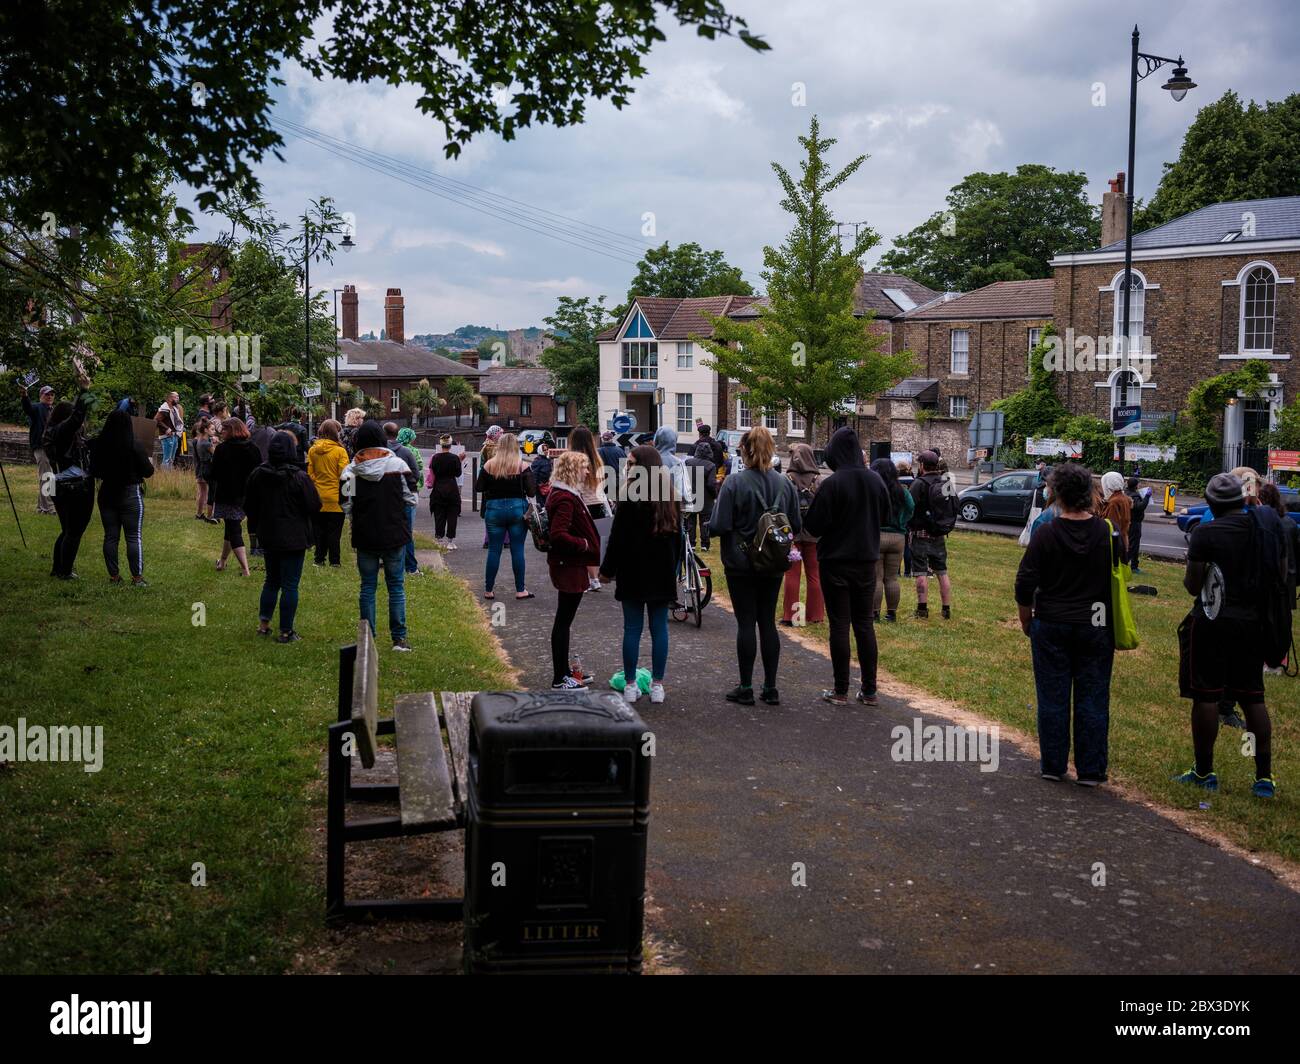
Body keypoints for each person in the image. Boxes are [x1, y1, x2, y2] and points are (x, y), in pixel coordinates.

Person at [1174, 473, 1282, 798]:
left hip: (1212, 619)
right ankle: (1263, 777)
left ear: (1210, 504)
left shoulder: (1206, 533)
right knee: (1252, 697)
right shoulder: (1260, 530)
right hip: (1252, 623)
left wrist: (1204, 568)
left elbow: (1193, 585)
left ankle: (1204, 771)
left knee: (1206, 696)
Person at [1015, 462, 1119, 785]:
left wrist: (1026, 618)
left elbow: (1024, 581)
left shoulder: (1046, 532)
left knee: (1052, 696)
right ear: (1089, 493)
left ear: (1057, 493)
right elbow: (1115, 576)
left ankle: (1054, 764)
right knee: (1093, 696)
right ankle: (1091, 768)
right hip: (1095, 621)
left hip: (1052, 620)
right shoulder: (1105, 532)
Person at [709, 425, 801, 706]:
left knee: (746, 622)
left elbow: (719, 525)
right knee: (768, 623)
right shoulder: (786, 484)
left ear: (745, 451)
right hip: (773, 562)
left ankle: (746, 686)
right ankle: (771, 688)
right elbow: (795, 525)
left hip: (740, 563)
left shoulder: (734, 483)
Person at [804, 428, 889, 706]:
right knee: (864, 624)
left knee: (840, 624)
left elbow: (814, 526)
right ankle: (870, 690)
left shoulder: (833, 484)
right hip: (866, 560)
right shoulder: (875, 480)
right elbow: (886, 514)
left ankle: (840, 690)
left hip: (835, 561)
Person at [601, 446, 680, 705]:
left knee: (632, 629)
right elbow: (679, 539)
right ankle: (658, 685)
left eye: (632, 463)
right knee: (660, 629)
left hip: (632, 570)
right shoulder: (670, 497)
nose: (627, 467)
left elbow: (617, 539)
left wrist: (606, 570)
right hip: (661, 571)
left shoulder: (628, 498)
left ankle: (631, 685)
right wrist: (675, 569)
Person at [340, 421, 418, 652]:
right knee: (396, 586)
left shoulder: (350, 470)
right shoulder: (399, 464)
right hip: (394, 532)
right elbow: (411, 497)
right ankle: (399, 639)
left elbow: (345, 505)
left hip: (365, 534)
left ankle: (368, 639)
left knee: (367, 587)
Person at [244, 431, 322, 643]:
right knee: (290, 584)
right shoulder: (299, 477)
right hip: (294, 535)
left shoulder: (258, 474)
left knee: (271, 580)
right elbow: (314, 505)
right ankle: (286, 630)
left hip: (268, 533)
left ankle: (264, 624)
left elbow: (249, 504)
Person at [544, 450, 601, 691]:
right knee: (563, 623)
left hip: (568, 564)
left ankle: (566, 672)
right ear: (572, 470)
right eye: (583, 467)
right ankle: (560, 678)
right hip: (569, 565)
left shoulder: (562, 493)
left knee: (564, 622)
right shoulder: (566, 498)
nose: (587, 472)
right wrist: (585, 544)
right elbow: (558, 534)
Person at [90, 408, 155, 586]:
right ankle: (137, 577)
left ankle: (114, 576)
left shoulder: (98, 444)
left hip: (107, 493)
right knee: (133, 537)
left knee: (110, 536)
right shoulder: (135, 444)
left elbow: (93, 470)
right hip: (130, 493)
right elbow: (148, 472)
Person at [44, 367, 95, 578]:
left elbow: (75, 420)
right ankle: (65, 571)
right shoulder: (62, 432)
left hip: (59, 483)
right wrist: (84, 391)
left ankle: (58, 568)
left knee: (67, 530)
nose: (80, 423)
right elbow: (75, 418)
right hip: (71, 485)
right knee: (74, 531)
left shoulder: (53, 433)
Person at [476, 431, 536, 600]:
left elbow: (478, 487)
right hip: (517, 508)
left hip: (494, 509)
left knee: (494, 550)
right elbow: (532, 490)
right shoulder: (522, 466)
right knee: (517, 549)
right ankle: (520, 589)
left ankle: (488, 590)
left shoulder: (489, 465)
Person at [208, 417, 262, 576]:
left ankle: (245, 569)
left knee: (234, 529)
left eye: (224, 429)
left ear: (232, 430)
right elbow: (259, 472)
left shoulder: (222, 449)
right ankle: (223, 561)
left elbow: (214, 474)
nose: (221, 432)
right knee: (230, 527)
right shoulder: (253, 448)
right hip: (248, 495)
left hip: (228, 495)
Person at [908, 450, 957, 619]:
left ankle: (922, 610)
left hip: (920, 533)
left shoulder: (918, 484)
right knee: (942, 572)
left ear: (921, 465)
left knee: (921, 572)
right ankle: (946, 610)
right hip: (939, 534)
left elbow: (909, 507)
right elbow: (953, 505)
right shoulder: (946, 482)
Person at [780, 443, 823, 626]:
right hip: (814, 534)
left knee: (792, 575)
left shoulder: (787, 479)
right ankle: (815, 616)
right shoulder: (818, 480)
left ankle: (793, 617)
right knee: (815, 576)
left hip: (793, 534)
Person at [871, 456, 913, 624]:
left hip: (877, 536)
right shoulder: (903, 491)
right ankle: (891, 614)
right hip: (897, 537)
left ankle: (874, 614)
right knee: (892, 578)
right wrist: (902, 522)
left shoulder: (874, 491)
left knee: (877, 578)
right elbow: (911, 509)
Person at [569, 426, 610, 591]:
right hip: (600, 504)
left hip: (583, 504)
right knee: (600, 542)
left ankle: (593, 579)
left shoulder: (574, 460)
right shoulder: (597, 458)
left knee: (586, 543)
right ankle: (599, 574)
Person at [307, 419, 349, 566]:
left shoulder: (312, 450)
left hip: (318, 496)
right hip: (336, 497)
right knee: (334, 532)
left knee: (319, 531)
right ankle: (335, 561)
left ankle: (319, 559)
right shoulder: (340, 451)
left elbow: (310, 474)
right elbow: (345, 475)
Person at [385, 422, 423, 577]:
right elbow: (416, 473)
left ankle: (388, 562)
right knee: (407, 532)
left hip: (387, 496)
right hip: (405, 496)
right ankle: (411, 567)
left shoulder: (382, 451)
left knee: (387, 529)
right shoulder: (407, 452)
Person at [19, 382, 57, 514]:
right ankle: (49, 508)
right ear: (41, 396)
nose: (50, 396)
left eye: (52, 394)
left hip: (51, 449)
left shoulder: (53, 410)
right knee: (47, 476)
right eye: (47, 394)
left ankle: (42, 507)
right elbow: (27, 408)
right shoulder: (37, 407)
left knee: (49, 477)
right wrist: (25, 395)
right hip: (41, 447)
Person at [427, 435, 466, 548]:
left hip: (438, 487)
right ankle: (450, 541)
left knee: (439, 514)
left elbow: (432, 470)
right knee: (452, 514)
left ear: (441, 445)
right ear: (450, 445)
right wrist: (459, 460)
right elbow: (458, 473)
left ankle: (439, 538)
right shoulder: (454, 458)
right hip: (452, 487)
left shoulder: (435, 457)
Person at [684, 440, 718, 552]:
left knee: (690, 521)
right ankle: (705, 544)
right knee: (705, 522)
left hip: (691, 495)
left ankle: (691, 544)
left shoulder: (688, 462)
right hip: (706, 497)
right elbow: (711, 484)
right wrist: (715, 496)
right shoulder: (711, 465)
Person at [1098, 471, 1132, 564]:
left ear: (1108, 484)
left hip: (1113, 545)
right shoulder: (1123, 498)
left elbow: (1111, 526)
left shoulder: (1114, 502)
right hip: (1122, 541)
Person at [192, 416, 217, 523]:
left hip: (202, 468)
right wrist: (215, 443)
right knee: (206, 492)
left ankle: (199, 513)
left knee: (203, 492)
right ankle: (206, 514)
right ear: (206, 430)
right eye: (212, 429)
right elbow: (216, 454)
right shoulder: (206, 443)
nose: (214, 431)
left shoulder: (199, 441)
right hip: (207, 468)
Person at [1124, 476, 1150, 573]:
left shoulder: (1126, 493)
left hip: (1129, 521)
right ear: (1136, 486)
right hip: (1134, 522)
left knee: (1133, 543)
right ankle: (1127, 564)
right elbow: (1140, 507)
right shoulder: (1134, 496)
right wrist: (1147, 497)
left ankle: (1134, 565)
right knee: (1133, 545)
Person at [154, 392, 184, 468]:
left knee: (171, 459)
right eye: (176, 397)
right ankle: (164, 476)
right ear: (170, 398)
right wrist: (166, 428)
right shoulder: (164, 409)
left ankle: (169, 476)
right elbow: (156, 420)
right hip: (167, 437)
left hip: (174, 435)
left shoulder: (174, 408)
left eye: (178, 397)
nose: (178, 398)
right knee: (166, 459)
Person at [896, 460, 915, 577]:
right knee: (908, 546)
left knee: (898, 548)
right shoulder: (913, 482)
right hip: (909, 517)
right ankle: (907, 571)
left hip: (898, 517)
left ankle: (897, 571)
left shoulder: (894, 483)